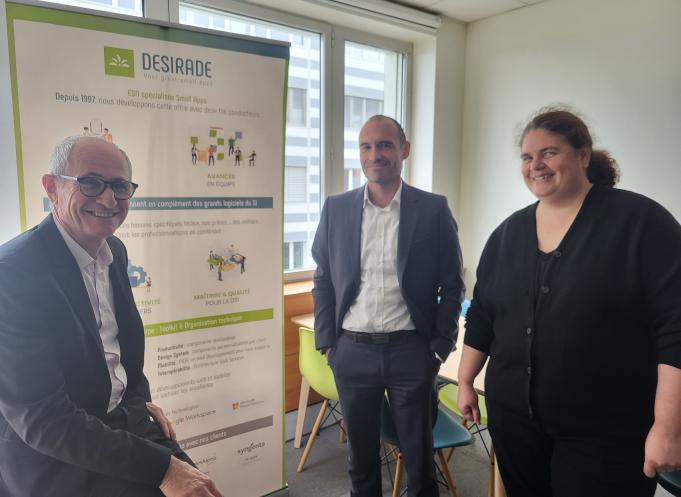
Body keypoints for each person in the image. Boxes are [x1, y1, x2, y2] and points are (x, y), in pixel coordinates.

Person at [457, 107, 681, 497]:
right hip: (515, 423)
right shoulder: (507, 234)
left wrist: (667, 427)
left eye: (549, 152)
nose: (536, 165)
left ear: (582, 154)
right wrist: (464, 380)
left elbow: (675, 328)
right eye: (527, 157)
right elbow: (483, 315)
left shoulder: (641, 223)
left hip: (606, 432)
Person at [0, 136, 222, 497]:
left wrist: (139, 401)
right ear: (52, 188)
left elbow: (120, 351)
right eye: (90, 182)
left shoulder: (114, 250)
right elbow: (43, 420)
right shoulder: (11, 274)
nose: (108, 199)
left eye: (120, 186)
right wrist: (163, 468)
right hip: (54, 454)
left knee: (203, 490)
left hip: (120, 424)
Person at [312, 115, 465, 497]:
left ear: (404, 150)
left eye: (384, 145)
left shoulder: (432, 209)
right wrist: (328, 342)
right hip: (352, 352)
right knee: (360, 462)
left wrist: (439, 346)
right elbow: (323, 277)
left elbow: (453, 283)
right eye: (366, 146)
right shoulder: (337, 209)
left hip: (411, 353)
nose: (374, 154)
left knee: (419, 460)